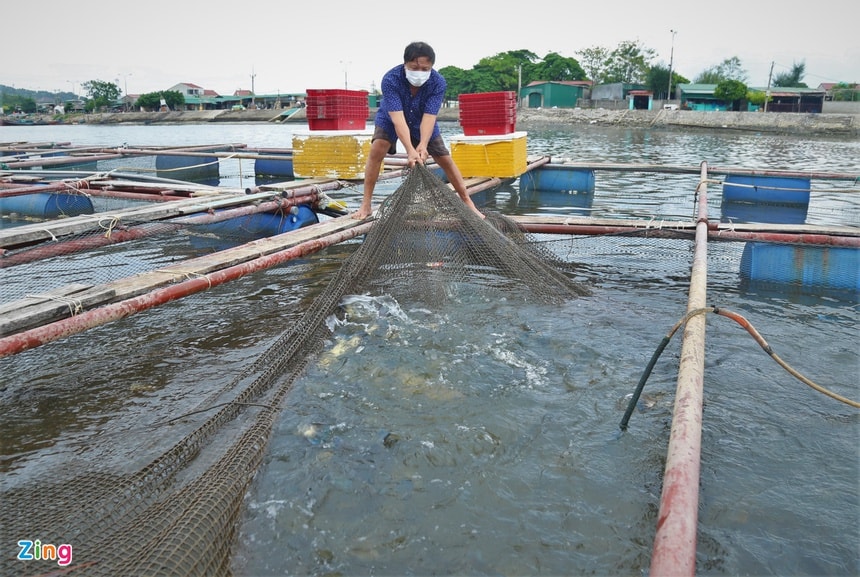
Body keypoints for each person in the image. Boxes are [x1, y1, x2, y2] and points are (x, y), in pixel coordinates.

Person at [352, 41, 483, 220]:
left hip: (422, 119)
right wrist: (410, 151)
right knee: (377, 148)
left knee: (444, 158)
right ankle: (366, 204)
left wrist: (422, 145)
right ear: (405, 63)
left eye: (425, 68)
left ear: (431, 67)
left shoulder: (438, 82)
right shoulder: (391, 79)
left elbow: (429, 117)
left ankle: (467, 202)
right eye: (415, 67)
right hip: (391, 117)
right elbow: (398, 120)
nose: (419, 72)